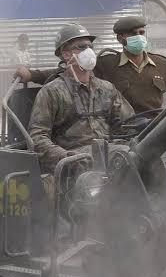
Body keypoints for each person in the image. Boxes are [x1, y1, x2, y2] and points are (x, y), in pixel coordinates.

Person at [15, 16, 166, 116]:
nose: (139, 37)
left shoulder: (162, 64)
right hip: (124, 131)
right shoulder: (107, 64)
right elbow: (70, 71)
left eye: (141, 33)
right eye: (133, 34)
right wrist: (32, 75)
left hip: (158, 130)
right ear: (121, 39)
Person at [28, 24, 134, 174]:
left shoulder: (107, 88)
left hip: (110, 155)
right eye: (82, 47)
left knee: (143, 159)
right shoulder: (51, 92)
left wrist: (123, 146)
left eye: (90, 46)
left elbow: (127, 125)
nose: (89, 51)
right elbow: (38, 138)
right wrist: (66, 158)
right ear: (66, 54)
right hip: (75, 164)